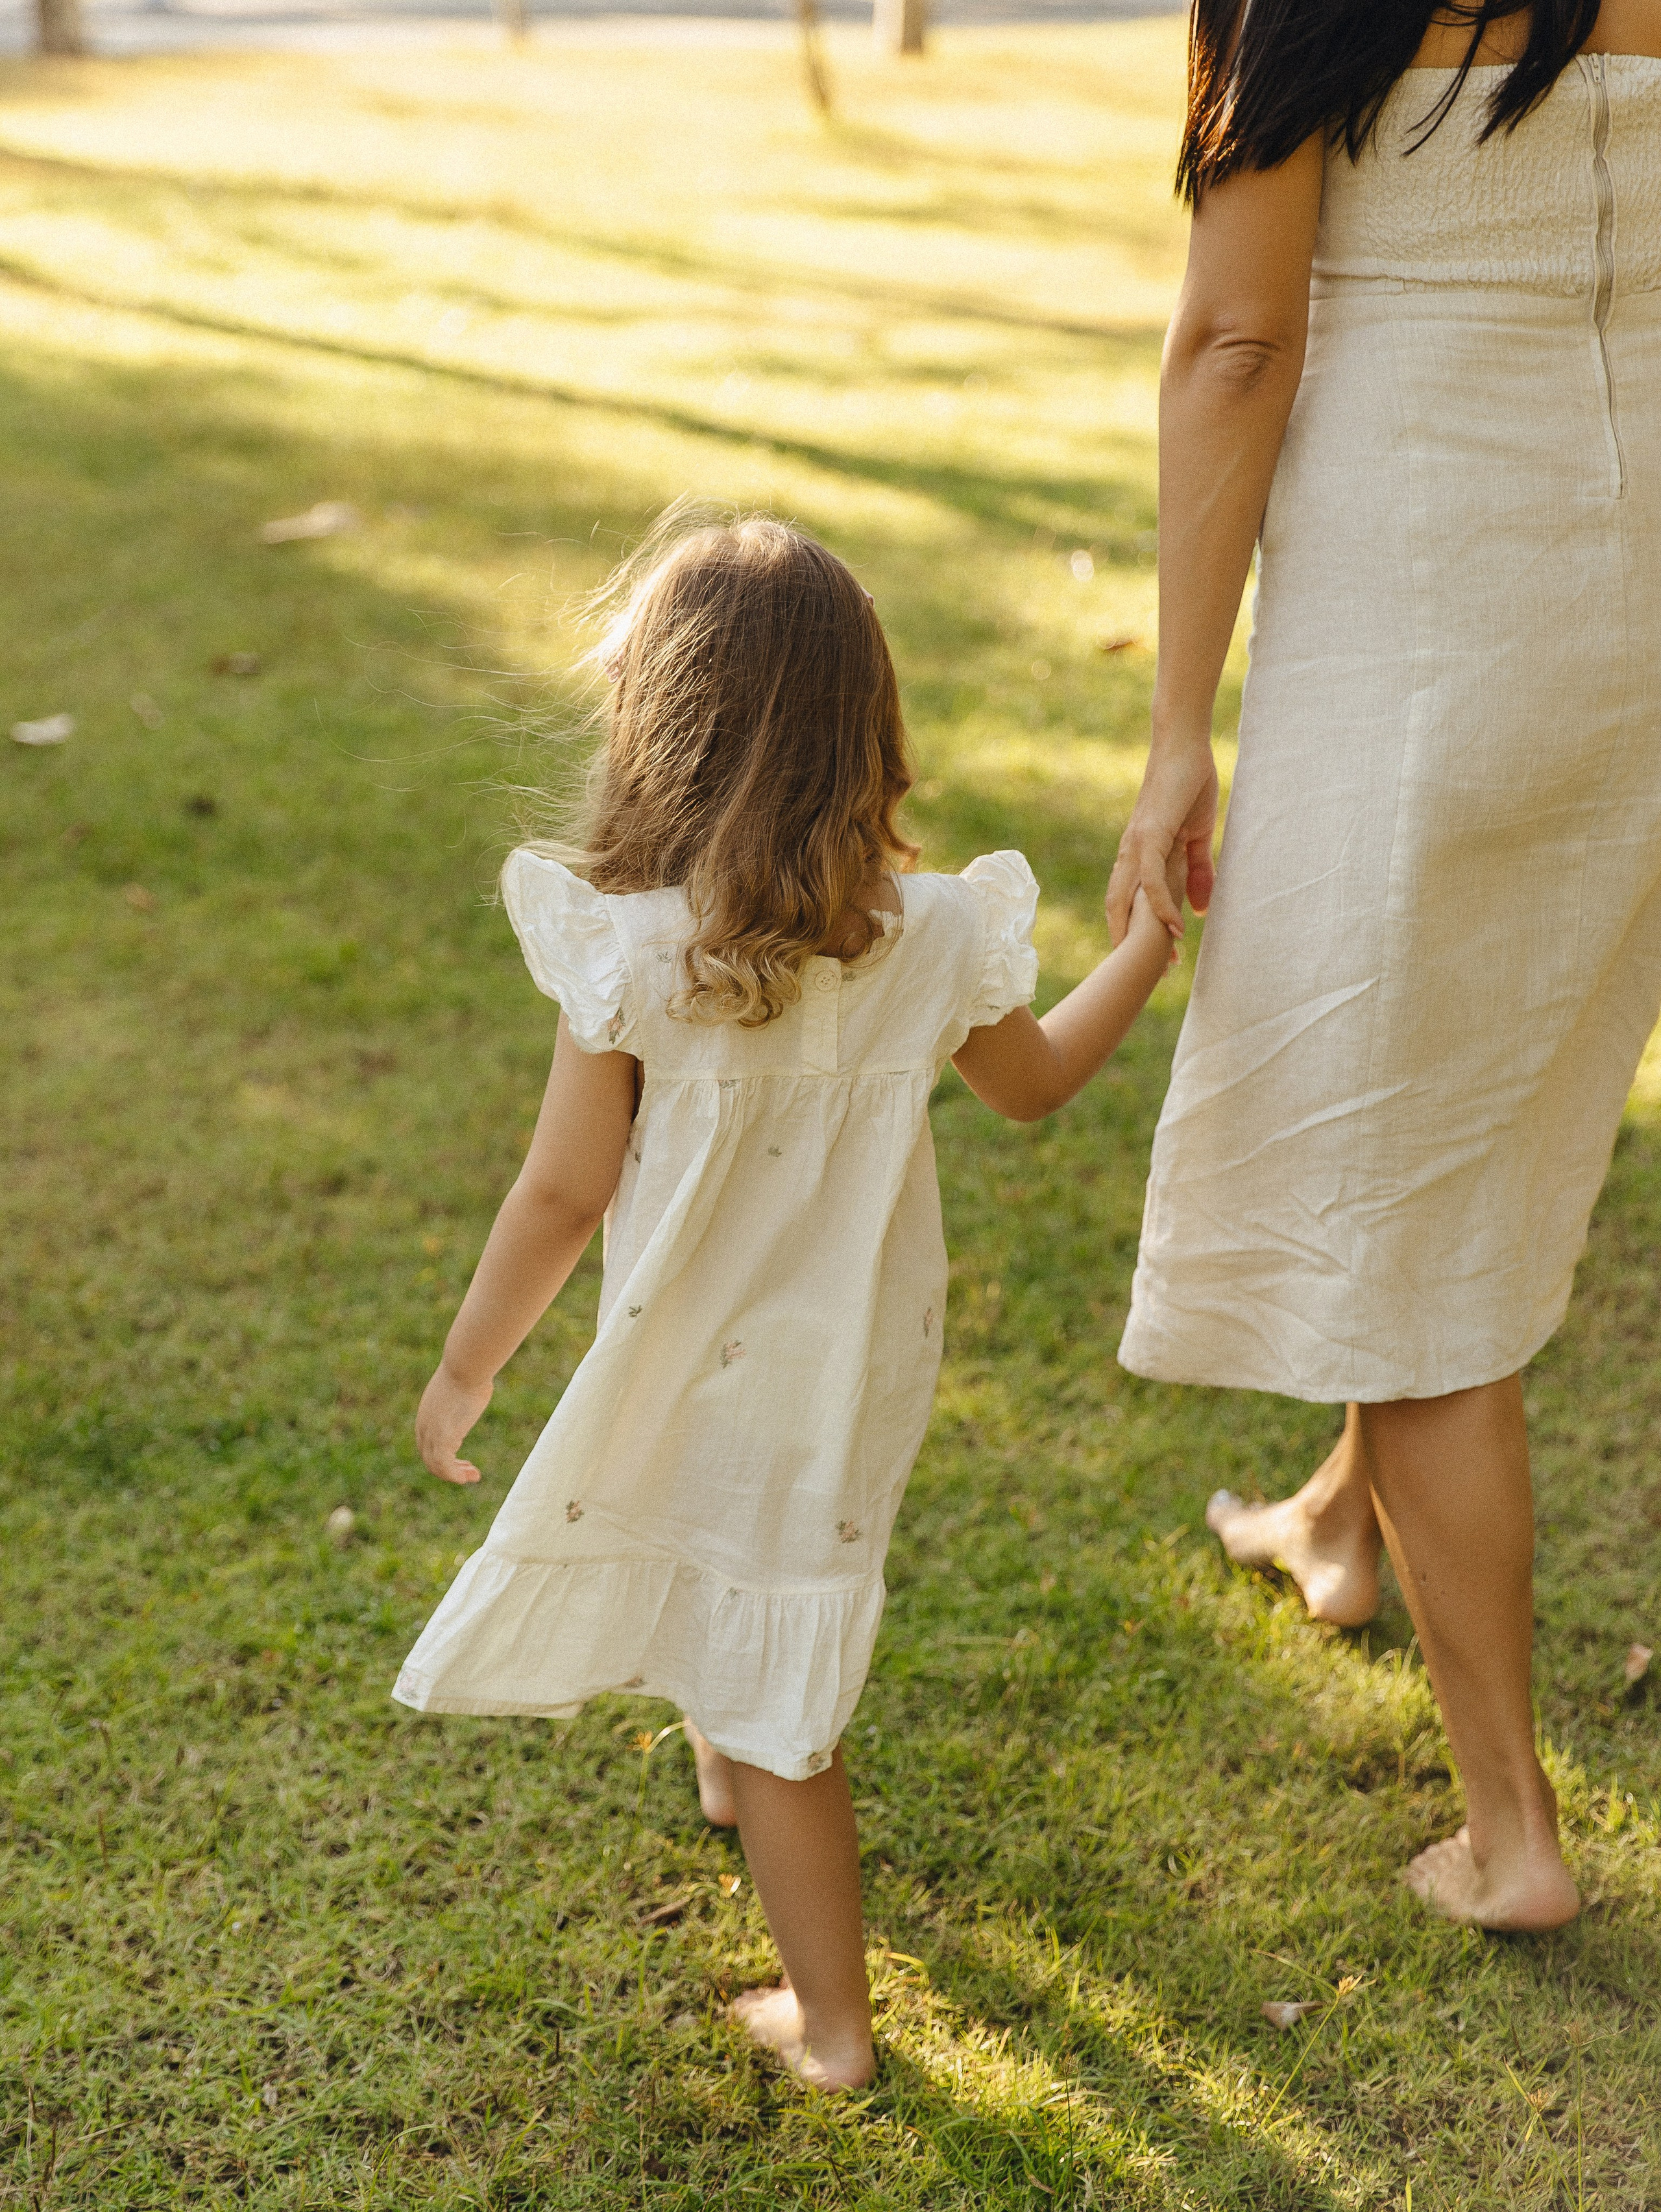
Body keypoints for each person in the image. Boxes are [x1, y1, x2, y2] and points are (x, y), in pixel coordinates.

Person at [394, 512, 1180, 2089]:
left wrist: (470, 1364)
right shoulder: (929, 935)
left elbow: (561, 1193)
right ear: (861, 728)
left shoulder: (637, 953)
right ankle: (724, 1756)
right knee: (751, 1579)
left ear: (661, 727)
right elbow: (1034, 1086)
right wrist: (1145, 950)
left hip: (688, 1357)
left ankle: (833, 2029)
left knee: (783, 1716)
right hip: (848, 1370)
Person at [1108, 0, 1660, 1930]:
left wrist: (1175, 730)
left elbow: (1236, 340)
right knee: (1464, 1100)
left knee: (1405, 1194)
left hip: (1437, 611)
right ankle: (1336, 1526)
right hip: (1635, 602)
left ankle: (1509, 1833)